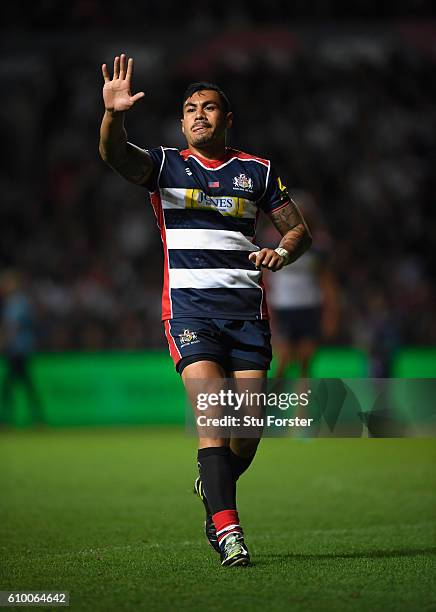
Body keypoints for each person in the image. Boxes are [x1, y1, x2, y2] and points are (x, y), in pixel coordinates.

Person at [99, 54, 312, 567]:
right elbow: (114, 155)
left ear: (227, 118)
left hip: (247, 316)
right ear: (181, 120)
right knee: (213, 413)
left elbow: (298, 230)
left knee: (245, 434)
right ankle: (227, 530)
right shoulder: (164, 165)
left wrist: (280, 253)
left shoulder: (256, 171)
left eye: (210, 107)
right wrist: (114, 115)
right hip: (190, 313)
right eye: (191, 108)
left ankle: (213, 485)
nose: (199, 115)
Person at [267, 192, 339, 378]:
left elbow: (326, 281)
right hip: (282, 307)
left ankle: (301, 407)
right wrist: (267, 311)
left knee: (306, 362)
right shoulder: (273, 242)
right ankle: (271, 402)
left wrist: (330, 313)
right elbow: (266, 280)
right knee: (283, 360)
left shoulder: (318, 246)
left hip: (309, 307)